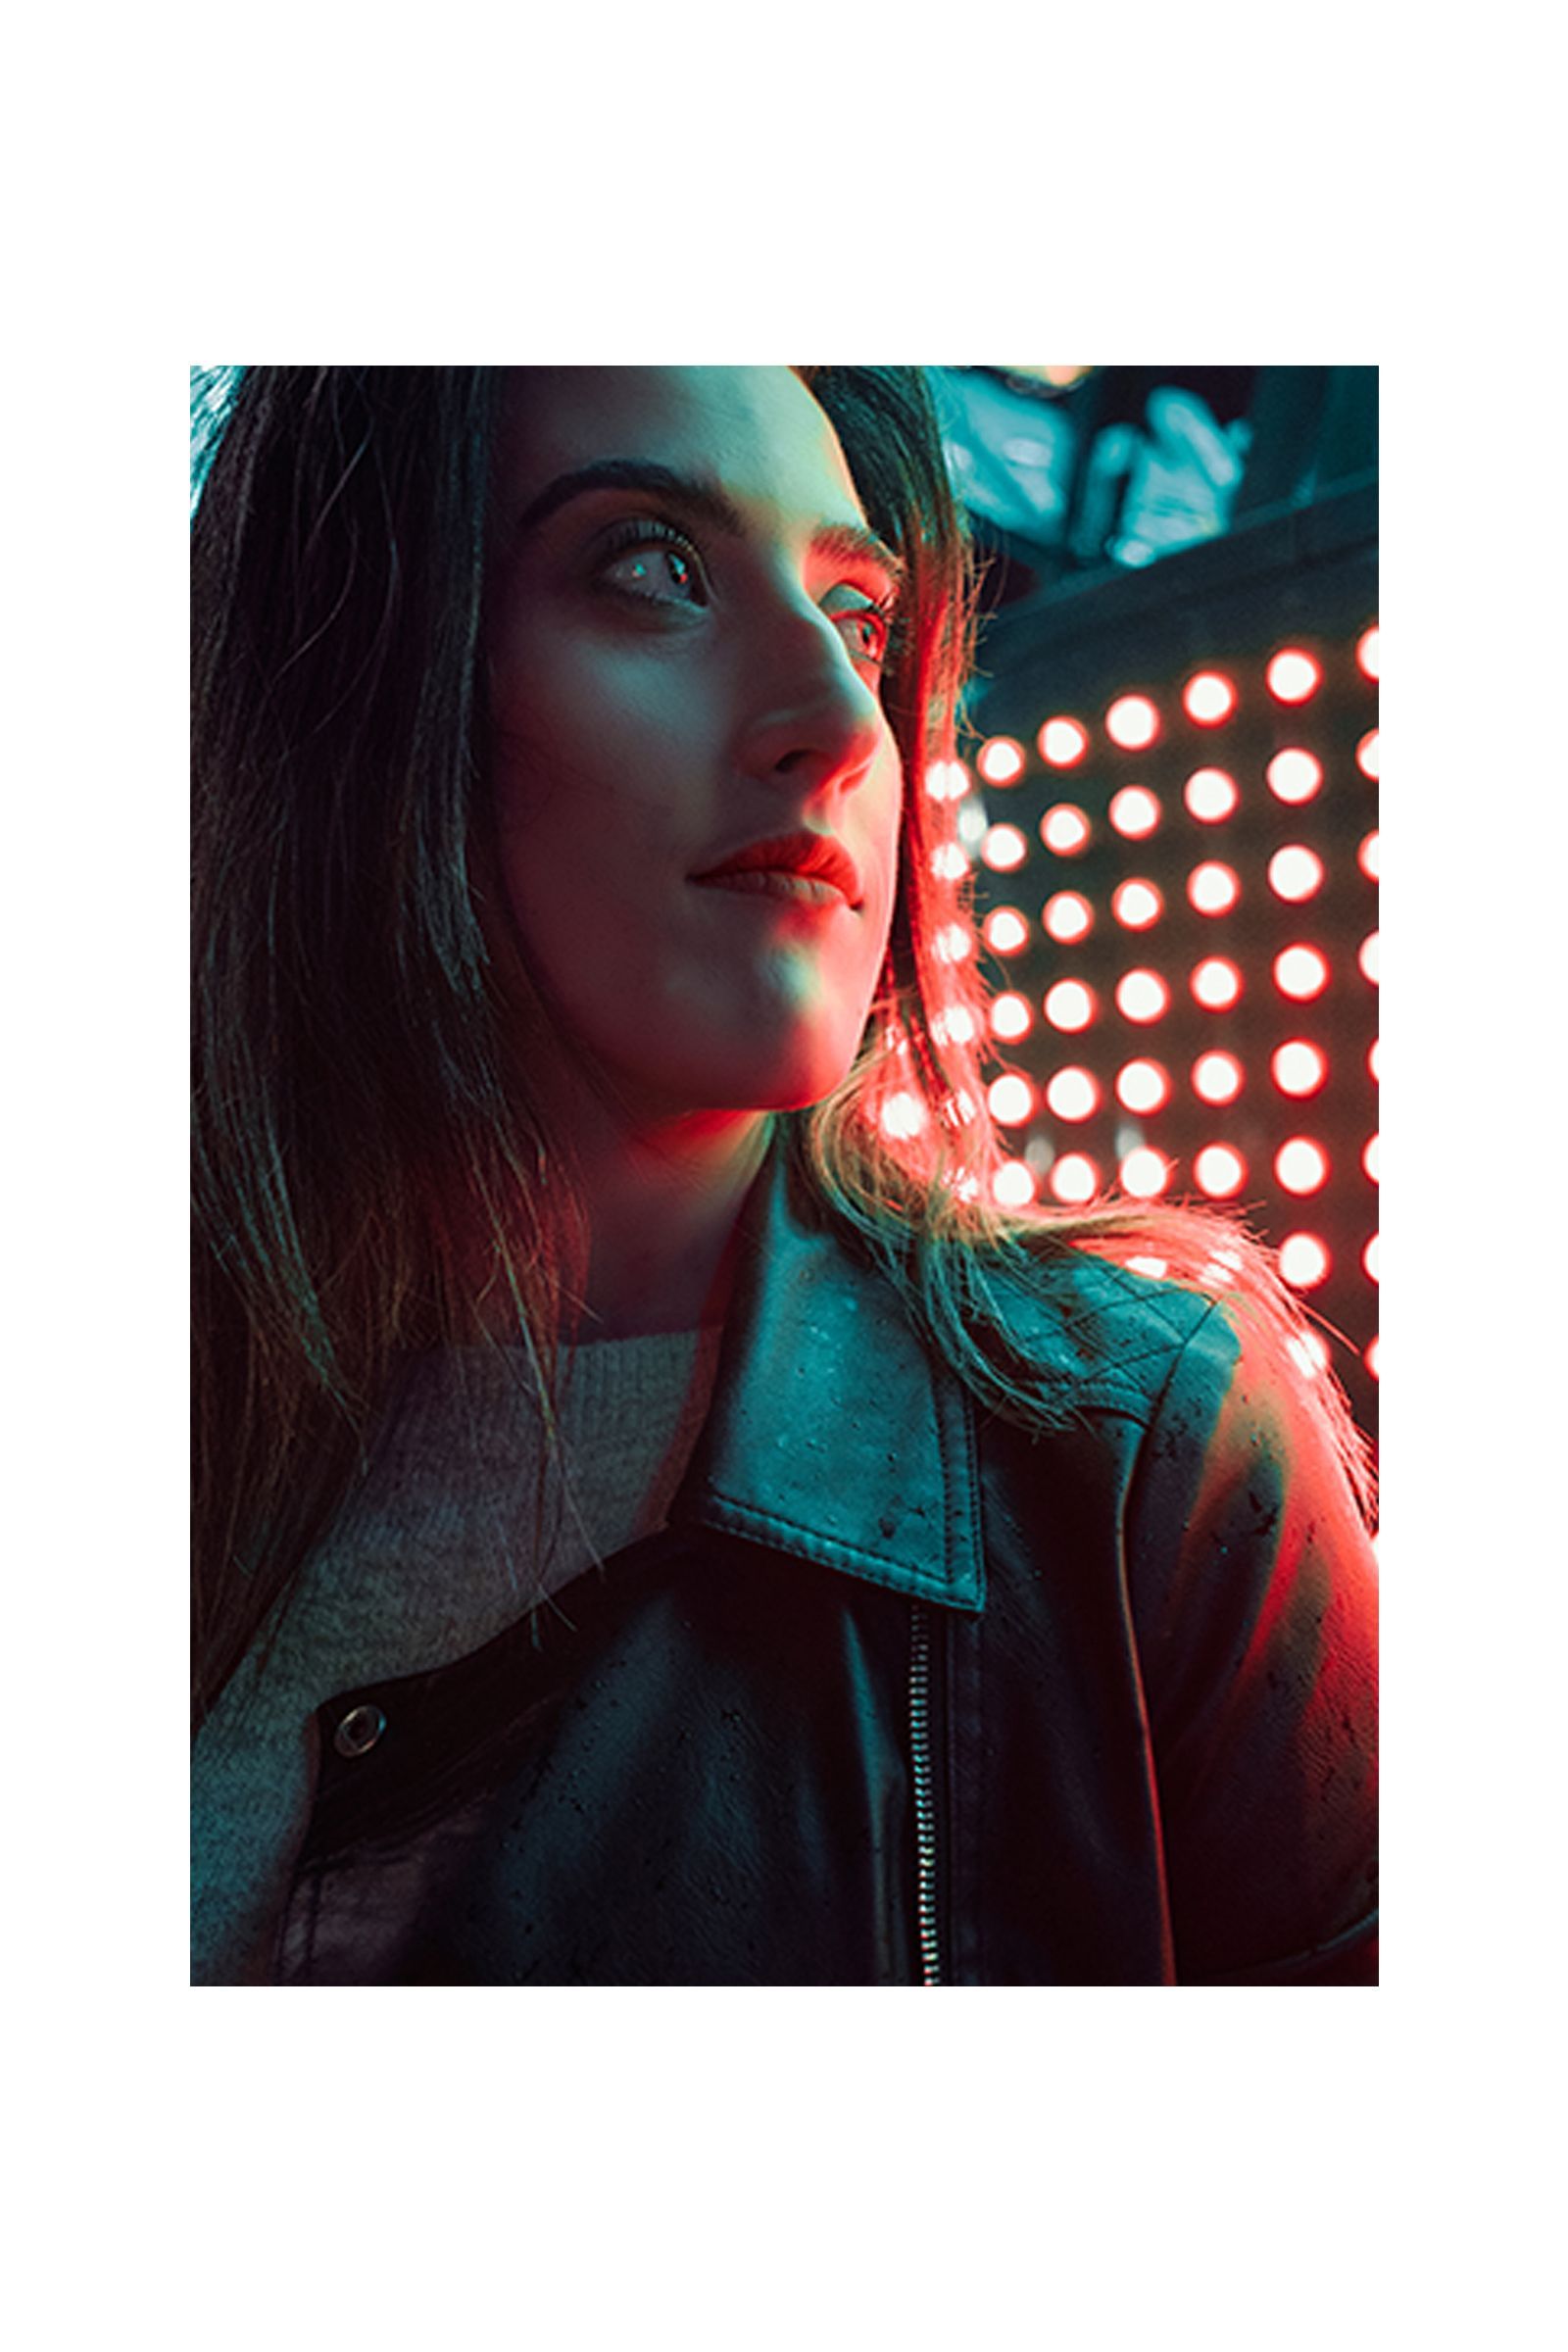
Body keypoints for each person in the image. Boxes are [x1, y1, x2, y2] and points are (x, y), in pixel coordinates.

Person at [191, 366, 1378, 1985]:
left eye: (859, 614)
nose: (839, 722)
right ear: (354, 661)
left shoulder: (1137, 1451)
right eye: (653, 566)